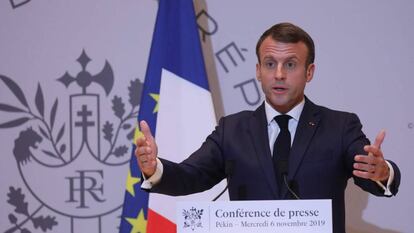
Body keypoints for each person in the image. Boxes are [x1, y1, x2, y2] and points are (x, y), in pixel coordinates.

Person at [135, 22, 401, 233]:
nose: (279, 75)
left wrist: (381, 171)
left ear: (309, 72)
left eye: (291, 64)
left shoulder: (340, 126)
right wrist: (153, 168)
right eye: (270, 64)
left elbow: (369, 173)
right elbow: (190, 176)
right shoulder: (233, 129)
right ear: (258, 70)